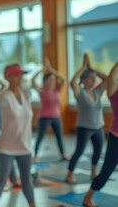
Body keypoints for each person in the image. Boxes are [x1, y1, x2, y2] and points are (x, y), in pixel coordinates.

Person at [0, 64, 35, 207]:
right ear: (8, 77)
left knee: (27, 180)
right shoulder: (5, 97)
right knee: (2, 180)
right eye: (16, 75)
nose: (20, 78)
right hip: (7, 147)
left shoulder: (26, 95)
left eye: (21, 75)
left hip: (25, 146)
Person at [66, 54, 108, 183]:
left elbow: (108, 79)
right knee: (79, 151)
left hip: (98, 127)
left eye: (94, 77)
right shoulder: (80, 93)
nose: (94, 79)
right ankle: (70, 174)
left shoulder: (97, 91)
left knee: (98, 151)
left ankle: (94, 173)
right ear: (84, 80)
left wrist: (93, 69)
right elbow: (72, 82)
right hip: (84, 127)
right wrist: (83, 67)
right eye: (91, 77)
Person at [83, 62, 118, 207]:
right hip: (116, 137)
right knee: (106, 170)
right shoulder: (114, 94)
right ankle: (87, 198)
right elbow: (111, 78)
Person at [32, 58, 69, 163]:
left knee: (59, 137)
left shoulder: (57, 90)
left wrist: (51, 70)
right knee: (40, 137)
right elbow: (33, 80)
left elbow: (63, 79)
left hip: (56, 116)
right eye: (50, 79)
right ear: (45, 81)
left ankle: (63, 154)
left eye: (53, 79)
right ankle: (35, 156)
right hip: (44, 117)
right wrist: (42, 70)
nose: (52, 81)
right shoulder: (42, 91)